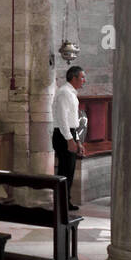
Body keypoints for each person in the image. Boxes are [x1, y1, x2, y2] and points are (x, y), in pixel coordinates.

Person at [52, 64, 87, 211]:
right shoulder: (64, 93)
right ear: (73, 78)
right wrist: (69, 140)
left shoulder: (71, 92)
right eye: (82, 77)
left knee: (69, 170)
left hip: (69, 133)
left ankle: (65, 201)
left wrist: (77, 140)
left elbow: (74, 120)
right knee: (65, 171)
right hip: (63, 134)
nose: (84, 80)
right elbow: (63, 119)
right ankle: (61, 204)